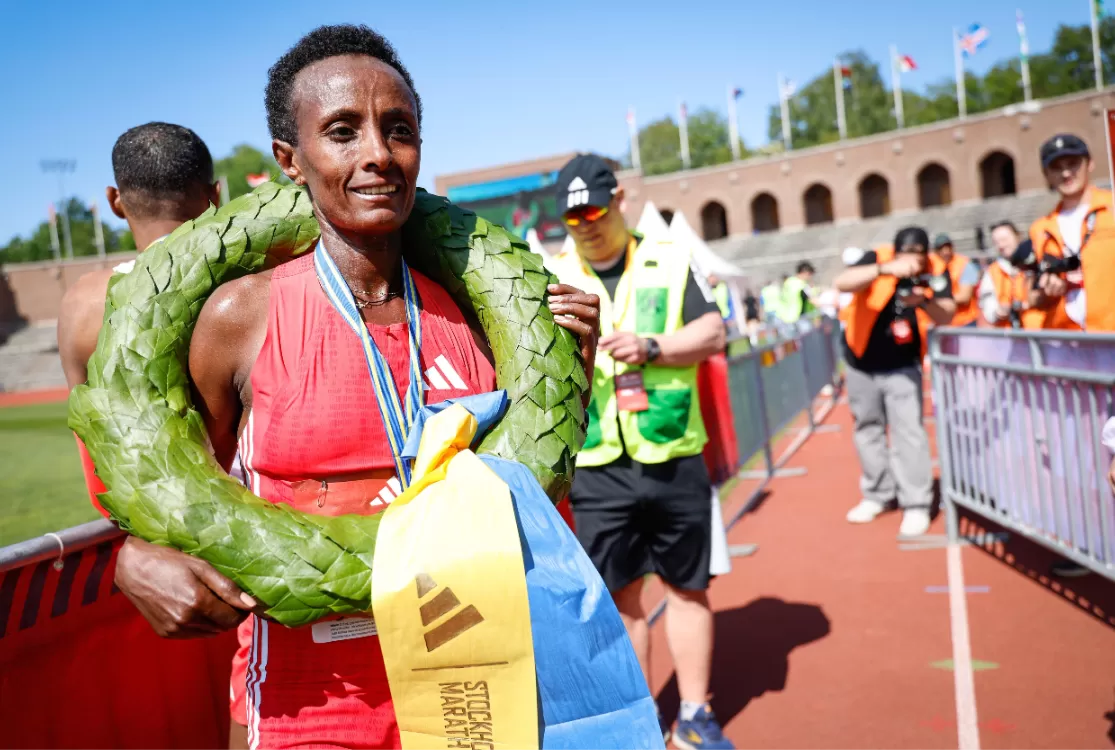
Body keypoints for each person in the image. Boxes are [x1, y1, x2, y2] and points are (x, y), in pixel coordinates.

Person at [108, 26, 601, 750]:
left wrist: (573, 376)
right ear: (290, 161)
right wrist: (129, 555)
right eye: (342, 131)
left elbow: (527, 493)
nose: (377, 152)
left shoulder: (478, 312)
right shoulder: (238, 318)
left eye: (398, 130)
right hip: (312, 705)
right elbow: (175, 483)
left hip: (475, 685)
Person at [547, 153, 733, 749]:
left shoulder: (670, 259)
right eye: (574, 218)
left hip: (674, 450)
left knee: (687, 588)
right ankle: (642, 722)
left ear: (620, 199)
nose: (587, 225)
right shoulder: (551, 274)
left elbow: (713, 333)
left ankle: (697, 716)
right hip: (598, 464)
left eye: (595, 211)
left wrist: (650, 346)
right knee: (621, 599)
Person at [833, 227, 956, 538]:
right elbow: (842, 282)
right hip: (861, 362)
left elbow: (947, 314)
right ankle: (878, 494)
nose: (911, 260)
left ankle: (916, 502)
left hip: (903, 366)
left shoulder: (935, 271)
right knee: (867, 428)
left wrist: (922, 301)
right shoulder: (877, 258)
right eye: (906, 253)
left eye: (917, 253)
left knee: (908, 433)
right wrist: (884, 269)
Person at [1029, 133, 1115, 332]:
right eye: (1056, 168)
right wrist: (1048, 291)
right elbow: (1034, 298)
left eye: (1073, 163)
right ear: (1046, 174)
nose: (1066, 173)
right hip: (1068, 342)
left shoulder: (1111, 207)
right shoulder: (1040, 229)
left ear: (1089, 164)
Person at [977, 221, 1043, 329]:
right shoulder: (992, 271)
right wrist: (998, 311)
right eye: (996, 242)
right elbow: (987, 302)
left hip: (1041, 331)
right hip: (1010, 337)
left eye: (1004, 240)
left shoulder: (1036, 260)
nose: (1001, 245)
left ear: (1017, 236)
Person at [931, 233, 980, 327]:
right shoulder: (933, 266)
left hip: (965, 322)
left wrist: (935, 301)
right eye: (941, 248)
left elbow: (964, 297)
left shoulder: (965, 265)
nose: (945, 251)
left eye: (948, 247)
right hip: (942, 322)